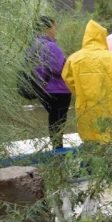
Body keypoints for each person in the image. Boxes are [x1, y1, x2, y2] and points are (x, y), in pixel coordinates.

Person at [62, 20, 112, 143]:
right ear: (102, 37)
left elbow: (68, 80)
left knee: (93, 142)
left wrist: (81, 92)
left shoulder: (73, 59)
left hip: (86, 108)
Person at [27, 16, 71, 148]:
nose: (55, 30)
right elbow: (60, 68)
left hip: (42, 89)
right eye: (54, 27)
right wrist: (68, 61)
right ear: (47, 28)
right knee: (59, 121)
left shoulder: (33, 45)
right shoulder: (50, 46)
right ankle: (58, 150)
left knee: (53, 119)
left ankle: (56, 148)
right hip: (58, 89)